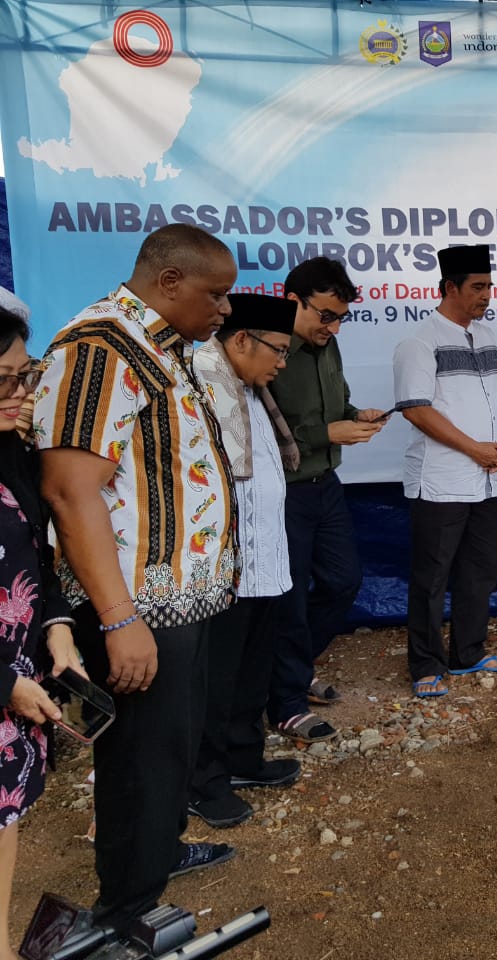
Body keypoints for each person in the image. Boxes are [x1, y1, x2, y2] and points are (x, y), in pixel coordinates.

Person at [33, 225, 240, 930]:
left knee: (169, 752)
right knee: (141, 763)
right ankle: (128, 911)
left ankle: (154, 860)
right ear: (170, 281)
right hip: (137, 608)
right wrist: (120, 620)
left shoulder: (162, 348)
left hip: (180, 601)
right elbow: (69, 490)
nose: (225, 310)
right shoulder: (100, 347)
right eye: (216, 294)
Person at [188, 294, 301, 828]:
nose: (282, 362)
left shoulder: (251, 390)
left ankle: (241, 758)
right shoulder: (203, 387)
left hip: (263, 559)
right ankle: (203, 782)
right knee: (216, 677)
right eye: (277, 350)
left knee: (252, 670)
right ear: (240, 340)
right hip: (223, 564)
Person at [267, 257, 386, 743]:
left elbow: (338, 405)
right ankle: (286, 704)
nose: (333, 327)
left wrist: (359, 415)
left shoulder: (326, 347)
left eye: (340, 317)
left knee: (343, 583)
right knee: (290, 600)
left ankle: (291, 671)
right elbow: (253, 432)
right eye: (325, 315)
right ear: (293, 300)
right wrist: (326, 433)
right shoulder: (267, 346)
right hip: (283, 495)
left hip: (326, 487)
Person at [0, 291, 85, 960]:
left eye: (24, 376)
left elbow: (37, 554)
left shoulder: (12, 452)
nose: (19, 393)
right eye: (2, 380)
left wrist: (56, 628)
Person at [393, 245, 497, 698]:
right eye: (477, 287)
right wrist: (474, 450)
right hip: (442, 480)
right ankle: (425, 663)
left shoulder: (488, 337)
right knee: (432, 577)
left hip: (488, 478)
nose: (486, 294)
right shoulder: (420, 341)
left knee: (480, 571)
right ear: (449, 288)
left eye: (489, 285)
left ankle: (468, 652)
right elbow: (417, 411)